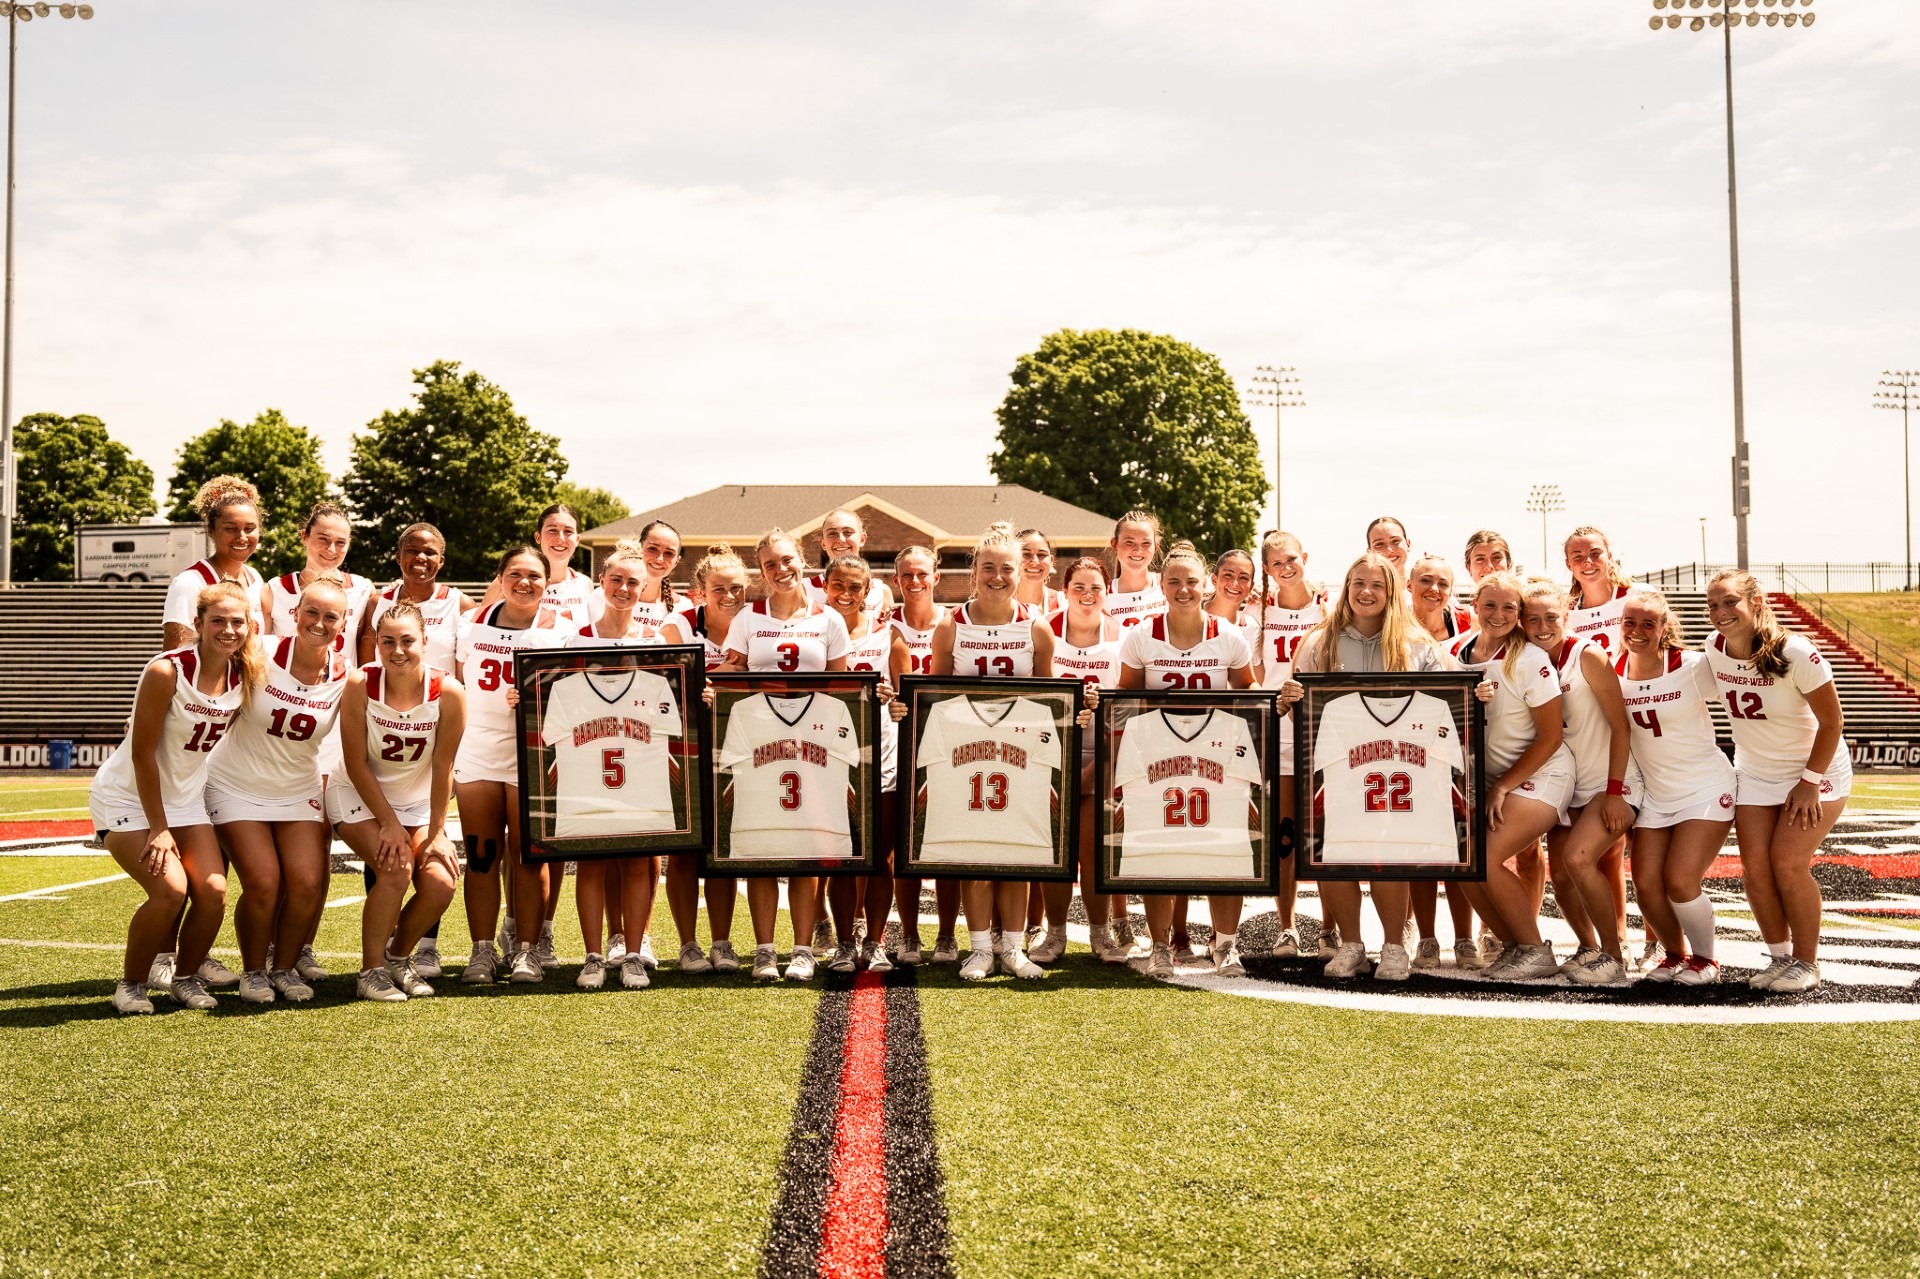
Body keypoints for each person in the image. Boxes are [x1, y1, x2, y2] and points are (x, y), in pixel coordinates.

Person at [90, 581, 259, 1013]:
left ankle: (184, 978)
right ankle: (131, 983)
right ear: (198, 624)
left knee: (213, 891)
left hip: (185, 798)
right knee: (169, 892)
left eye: (236, 622)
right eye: (217, 620)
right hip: (128, 797)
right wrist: (159, 829)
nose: (227, 629)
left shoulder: (245, 674)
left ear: (249, 627)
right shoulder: (167, 670)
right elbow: (143, 754)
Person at [1277, 554, 1444, 981]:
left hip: (1399, 769)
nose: (1366, 592)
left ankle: (1393, 947)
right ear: (1346, 587)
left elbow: (1442, 707)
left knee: (1391, 854)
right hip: (1338, 767)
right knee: (1335, 854)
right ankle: (1351, 944)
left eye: (1376, 585)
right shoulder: (1319, 642)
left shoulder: (1418, 644)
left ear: (1391, 593)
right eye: (1358, 583)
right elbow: (1307, 716)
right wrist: (1290, 702)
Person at [205, 577, 353, 1004]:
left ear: (342, 625)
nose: (319, 622)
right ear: (295, 613)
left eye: (330, 616)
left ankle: (284, 967)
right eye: (312, 612)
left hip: (296, 788)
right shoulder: (260, 650)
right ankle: (253, 970)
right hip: (235, 784)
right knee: (265, 882)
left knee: (308, 882)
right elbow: (203, 676)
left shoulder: (348, 677)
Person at [1118, 541, 1258, 979]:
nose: (1183, 590)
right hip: (1159, 755)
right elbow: (1125, 698)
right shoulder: (1141, 635)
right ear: (1161, 585)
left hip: (1215, 754)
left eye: (1191, 582)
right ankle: (1161, 946)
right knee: (1157, 846)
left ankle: (1225, 945)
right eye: (1174, 582)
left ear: (1207, 585)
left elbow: (1246, 693)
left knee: (1227, 846)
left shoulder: (1229, 635)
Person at [718, 529, 852, 982]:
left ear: (803, 561)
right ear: (761, 570)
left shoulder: (829, 618)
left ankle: (801, 950)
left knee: (806, 847)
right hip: (760, 741)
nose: (781, 569)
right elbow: (730, 671)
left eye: (787, 559)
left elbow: (843, 687)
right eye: (770, 563)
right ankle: (763, 949)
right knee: (762, 846)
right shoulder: (748, 619)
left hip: (811, 744)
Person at [1705, 570, 1849, 993]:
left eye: (1729, 601)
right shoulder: (1714, 648)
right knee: (1755, 870)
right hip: (1755, 770)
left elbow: (1832, 721)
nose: (1720, 612)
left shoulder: (1795, 650)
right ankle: (1780, 957)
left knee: (1787, 863)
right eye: (1712, 605)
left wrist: (1809, 781)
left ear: (1756, 601)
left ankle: (1807, 961)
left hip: (1813, 771)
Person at [928, 522, 1057, 980]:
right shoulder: (951, 623)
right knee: (974, 851)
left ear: (1021, 572)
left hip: (1018, 757)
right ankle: (981, 947)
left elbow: (1048, 704)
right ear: (974, 572)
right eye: (988, 568)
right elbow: (934, 696)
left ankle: (1014, 948)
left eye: (1006, 569)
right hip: (967, 755)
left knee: (1016, 851)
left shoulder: (1037, 627)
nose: (996, 577)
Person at [331, 603, 467, 1002]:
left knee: (441, 882)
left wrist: (439, 832)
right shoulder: (360, 683)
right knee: (396, 869)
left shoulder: (449, 692)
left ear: (425, 641)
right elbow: (356, 763)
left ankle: (397, 957)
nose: (397, 650)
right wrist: (389, 823)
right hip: (357, 794)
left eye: (408, 641)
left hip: (416, 802)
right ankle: (370, 971)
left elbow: (444, 766)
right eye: (387, 641)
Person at [358, 522, 474, 978]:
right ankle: (385, 939)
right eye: (411, 550)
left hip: (436, 725)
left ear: (441, 560)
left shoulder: (459, 603)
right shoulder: (378, 603)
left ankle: (424, 944)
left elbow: (467, 664)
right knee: (386, 846)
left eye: (429, 553)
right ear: (398, 554)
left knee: (431, 844)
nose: (420, 559)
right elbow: (364, 662)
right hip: (387, 728)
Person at [1445, 572, 1574, 981]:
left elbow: (1552, 737)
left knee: (1484, 856)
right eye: (1489, 605)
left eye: (1509, 607)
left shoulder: (1530, 658)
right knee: (1462, 862)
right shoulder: (1454, 651)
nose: (1498, 615)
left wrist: (1502, 784)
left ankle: (1536, 949)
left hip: (1542, 773)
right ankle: (1514, 944)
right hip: (1486, 780)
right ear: (1474, 606)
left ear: (1519, 613)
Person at [564, 539, 675, 990]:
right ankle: (592, 955)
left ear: (644, 586)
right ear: (602, 582)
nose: (624, 588)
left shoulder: (654, 642)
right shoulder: (574, 641)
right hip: (589, 763)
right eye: (616, 580)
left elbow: (671, 712)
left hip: (640, 763)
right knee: (591, 862)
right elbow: (556, 703)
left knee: (638, 860)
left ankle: (631, 951)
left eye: (633, 582)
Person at [454, 547, 566, 986]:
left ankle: (526, 950)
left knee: (527, 855)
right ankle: (482, 951)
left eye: (534, 576)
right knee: (481, 857)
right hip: (478, 748)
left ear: (547, 582)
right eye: (515, 573)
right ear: (499, 577)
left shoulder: (560, 629)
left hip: (531, 751)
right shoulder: (470, 624)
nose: (525, 583)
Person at [1616, 588, 1736, 987]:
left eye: (1648, 623)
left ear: (1664, 628)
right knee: (1647, 886)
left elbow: (1742, 690)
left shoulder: (1691, 665)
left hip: (1704, 786)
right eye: (1630, 621)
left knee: (1681, 881)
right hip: (1655, 793)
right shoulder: (1612, 670)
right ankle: (1673, 954)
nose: (1637, 630)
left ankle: (1706, 960)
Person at [1521, 580, 1637, 985]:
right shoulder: (1526, 660)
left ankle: (1614, 953)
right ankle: (1588, 946)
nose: (1542, 625)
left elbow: (1621, 727)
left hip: (1607, 780)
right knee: (1562, 874)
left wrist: (1616, 790)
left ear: (1566, 616)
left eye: (1551, 616)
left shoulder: (1586, 655)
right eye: (1532, 618)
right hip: (1565, 784)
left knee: (1579, 859)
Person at [660, 544, 752, 974]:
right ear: (700, 590)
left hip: (738, 747)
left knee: (723, 849)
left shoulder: (754, 624)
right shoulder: (677, 625)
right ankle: (687, 944)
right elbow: (671, 686)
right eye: (719, 588)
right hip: (686, 747)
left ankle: (721, 942)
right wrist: (719, 679)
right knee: (683, 851)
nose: (729, 596)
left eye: (737, 588)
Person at [1039, 556, 1128, 963]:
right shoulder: (1043, 632)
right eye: (1079, 587)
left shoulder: (1123, 637)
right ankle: (1054, 935)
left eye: (1096, 588)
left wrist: (1098, 765)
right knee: (1055, 851)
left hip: (1103, 754)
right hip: (1049, 755)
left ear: (1108, 592)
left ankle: (1100, 934)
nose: (1088, 595)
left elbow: (1127, 710)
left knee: (1093, 853)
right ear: (1064, 591)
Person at [819, 555, 901, 973]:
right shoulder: (812, 630)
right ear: (824, 583)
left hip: (881, 752)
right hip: (828, 754)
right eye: (838, 585)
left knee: (881, 856)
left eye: (855, 587)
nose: (846, 594)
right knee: (841, 856)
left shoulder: (889, 635)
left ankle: (875, 942)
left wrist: (893, 697)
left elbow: (910, 700)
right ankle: (845, 944)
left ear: (868, 591)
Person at [1403, 553, 1478, 966]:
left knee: (1460, 844)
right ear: (1410, 584)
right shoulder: (1394, 625)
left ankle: (1465, 937)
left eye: (1443, 583)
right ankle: (1428, 938)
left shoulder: (1468, 628)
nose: (1434, 589)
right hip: (1411, 746)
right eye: (1426, 581)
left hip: (1459, 744)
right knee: (1420, 843)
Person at [885, 545, 960, 962]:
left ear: (936, 576)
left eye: (921, 574)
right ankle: (910, 934)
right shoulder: (885, 627)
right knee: (902, 843)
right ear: (897, 580)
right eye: (906, 575)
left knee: (946, 839)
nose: (914, 582)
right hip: (901, 741)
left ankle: (947, 935)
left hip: (951, 743)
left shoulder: (955, 622)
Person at [1257, 531, 1325, 961]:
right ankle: (1287, 928)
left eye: (1292, 559)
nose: (1286, 568)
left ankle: (1332, 931)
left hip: (1322, 733)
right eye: (1276, 563)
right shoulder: (1257, 614)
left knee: (1324, 834)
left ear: (1305, 557)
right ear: (1266, 569)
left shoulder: (1329, 607)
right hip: (1279, 732)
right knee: (1284, 836)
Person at [162, 476, 265, 649]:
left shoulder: (255, 578)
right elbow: (173, 659)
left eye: (249, 529)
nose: (242, 537)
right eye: (230, 529)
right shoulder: (189, 583)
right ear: (211, 530)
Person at [262, 501, 373, 653]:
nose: (331, 549)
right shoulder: (274, 592)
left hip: (344, 677)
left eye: (340, 542)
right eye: (323, 539)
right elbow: (261, 654)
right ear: (304, 536)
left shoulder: (363, 590)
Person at [480, 503, 595, 628]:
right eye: (552, 530)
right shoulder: (508, 582)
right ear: (538, 537)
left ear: (577, 540)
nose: (560, 538)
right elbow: (480, 626)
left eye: (568, 531)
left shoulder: (584, 583)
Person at [805, 509, 892, 621]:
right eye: (832, 533)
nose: (841, 539)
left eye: (848, 532)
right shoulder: (805, 589)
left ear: (862, 538)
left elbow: (886, 635)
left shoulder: (881, 591)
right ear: (823, 543)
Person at [1565, 526, 1633, 654]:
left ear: (1609, 556)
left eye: (1595, 553)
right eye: (1578, 557)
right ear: (1568, 564)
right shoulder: (1566, 615)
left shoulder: (1637, 595)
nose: (1588, 561)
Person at [1105, 511, 1167, 629]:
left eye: (1146, 543)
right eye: (1129, 542)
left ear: (1156, 546)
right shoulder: (1103, 594)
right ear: (1115, 544)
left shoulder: (1168, 586)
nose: (1138, 550)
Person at [1015, 527, 1067, 617]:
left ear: (1051, 560)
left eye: (1041, 555)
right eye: (1026, 554)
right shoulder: (997, 603)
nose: (1035, 560)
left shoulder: (1064, 604)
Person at [1364, 516, 1412, 581]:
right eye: (1379, 544)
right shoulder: (1363, 590)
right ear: (1369, 552)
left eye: (1395, 541)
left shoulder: (1426, 588)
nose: (1389, 549)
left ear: (1408, 544)